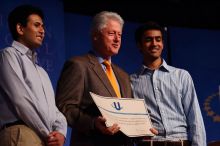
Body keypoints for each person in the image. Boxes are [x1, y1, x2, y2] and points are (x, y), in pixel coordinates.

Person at [56, 11, 133, 146]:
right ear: (95, 36)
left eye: (119, 35)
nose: (117, 39)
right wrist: (93, 123)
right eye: (111, 33)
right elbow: (65, 107)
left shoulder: (124, 75)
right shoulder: (78, 65)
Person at [130, 21, 206, 146]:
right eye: (149, 40)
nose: (154, 43)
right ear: (139, 45)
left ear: (163, 44)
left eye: (158, 39)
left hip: (181, 142)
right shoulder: (131, 81)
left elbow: (195, 118)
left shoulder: (181, 75)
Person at [0, 5, 67, 146]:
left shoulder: (42, 72)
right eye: (37, 25)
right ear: (20, 28)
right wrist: (48, 133)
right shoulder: (9, 55)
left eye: (43, 26)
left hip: (44, 138)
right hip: (21, 133)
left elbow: (54, 110)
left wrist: (61, 133)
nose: (42, 31)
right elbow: (20, 99)